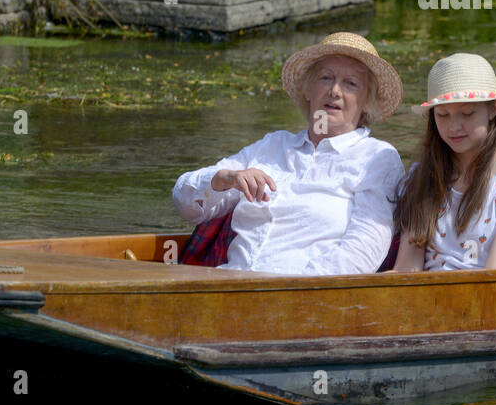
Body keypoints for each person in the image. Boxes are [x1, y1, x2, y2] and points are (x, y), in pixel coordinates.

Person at [172, 32, 405, 274]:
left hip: (303, 297)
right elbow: (184, 205)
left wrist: (292, 290)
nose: (335, 91)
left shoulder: (377, 157)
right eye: (326, 78)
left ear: (366, 101)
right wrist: (224, 179)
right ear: (307, 90)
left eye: (351, 83)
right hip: (229, 284)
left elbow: (363, 250)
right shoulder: (272, 146)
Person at [392, 53, 496, 271]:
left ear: (493, 109)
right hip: (427, 296)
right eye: (443, 115)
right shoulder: (421, 175)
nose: (454, 126)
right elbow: (407, 270)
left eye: (466, 113)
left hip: (490, 297)